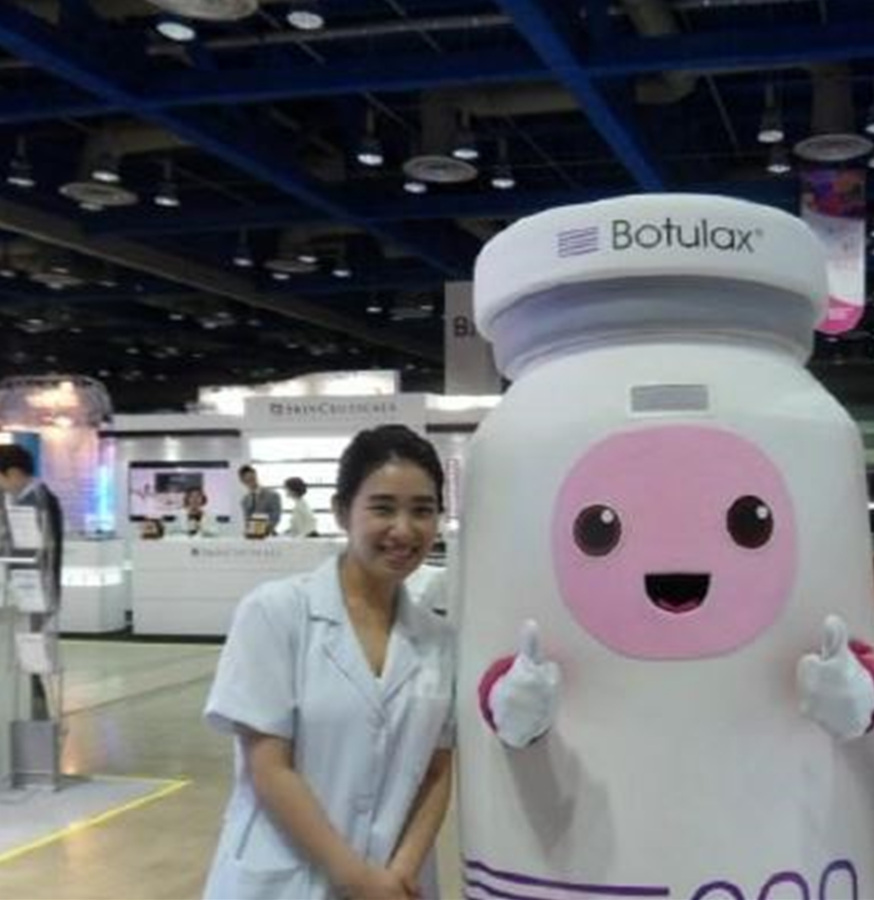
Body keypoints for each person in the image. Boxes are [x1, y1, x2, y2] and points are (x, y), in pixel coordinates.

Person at [203, 425, 454, 900]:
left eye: (422, 510)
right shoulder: (275, 612)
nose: (404, 529)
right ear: (342, 512)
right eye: (383, 508)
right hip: (288, 878)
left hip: (396, 881)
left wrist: (399, 872)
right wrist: (358, 879)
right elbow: (268, 767)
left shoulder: (439, 640)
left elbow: (438, 770)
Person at [0, 443, 64, 720]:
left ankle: (36, 722)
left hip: (32, 595)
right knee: (19, 663)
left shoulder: (38, 502)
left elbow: (32, 553)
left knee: (28, 662)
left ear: (13, 473)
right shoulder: (18, 500)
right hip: (21, 595)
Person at [238, 464, 282, 536]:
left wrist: (262, 531)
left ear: (256, 476)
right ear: (243, 481)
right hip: (252, 537)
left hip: (269, 536)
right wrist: (249, 532)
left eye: (253, 478)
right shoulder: (245, 500)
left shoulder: (272, 496)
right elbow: (247, 520)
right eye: (247, 480)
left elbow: (275, 517)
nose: (251, 482)